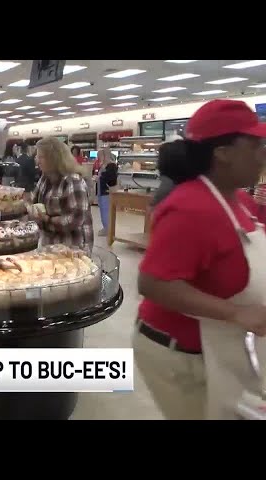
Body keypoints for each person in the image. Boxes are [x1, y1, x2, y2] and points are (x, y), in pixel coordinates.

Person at [134, 99, 266, 420]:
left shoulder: (241, 200)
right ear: (222, 152)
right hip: (182, 356)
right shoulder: (189, 207)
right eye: (256, 145)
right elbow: (153, 283)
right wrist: (236, 313)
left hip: (224, 348)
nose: (263, 153)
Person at [29, 136, 94, 254]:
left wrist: (47, 219)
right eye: (37, 156)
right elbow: (34, 201)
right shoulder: (44, 178)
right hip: (50, 244)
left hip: (74, 248)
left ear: (53, 158)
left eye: (41, 157)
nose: (37, 161)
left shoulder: (73, 181)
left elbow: (75, 219)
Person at [95, 148, 118, 236]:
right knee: (103, 211)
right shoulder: (104, 165)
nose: (98, 158)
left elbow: (111, 179)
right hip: (102, 191)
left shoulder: (111, 166)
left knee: (106, 211)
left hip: (107, 192)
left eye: (100, 156)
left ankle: (108, 229)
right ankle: (106, 227)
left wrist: (99, 178)